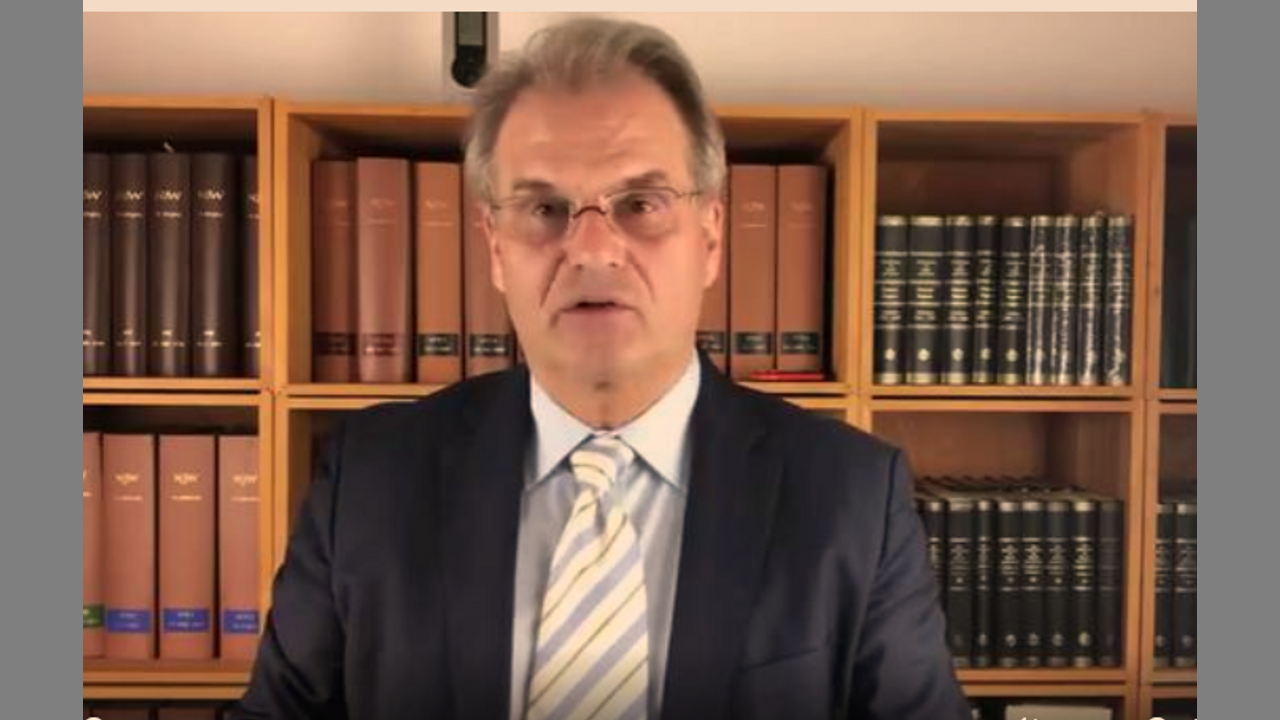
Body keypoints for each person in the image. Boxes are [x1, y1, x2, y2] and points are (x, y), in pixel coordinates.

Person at [233, 16, 969, 720]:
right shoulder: (368, 479)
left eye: (641, 203)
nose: (591, 250)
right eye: (543, 208)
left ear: (710, 236)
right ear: (494, 246)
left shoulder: (851, 495)